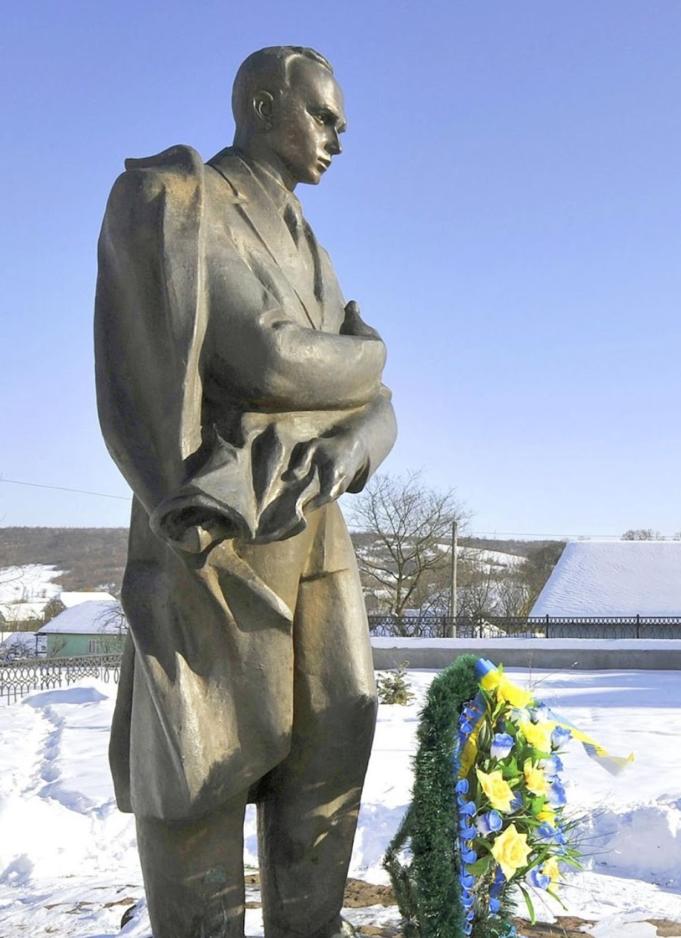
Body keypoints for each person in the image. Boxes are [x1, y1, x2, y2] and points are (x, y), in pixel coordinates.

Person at [95, 46, 396, 938]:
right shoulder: (182, 205)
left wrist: (356, 418)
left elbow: (374, 408)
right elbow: (264, 355)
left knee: (329, 759)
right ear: (266, 106)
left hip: (319, 526)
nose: (339, 137)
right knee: (201, 772)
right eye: (323, 117)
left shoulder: (308, 238)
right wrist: (368, 360)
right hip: (219, 535)